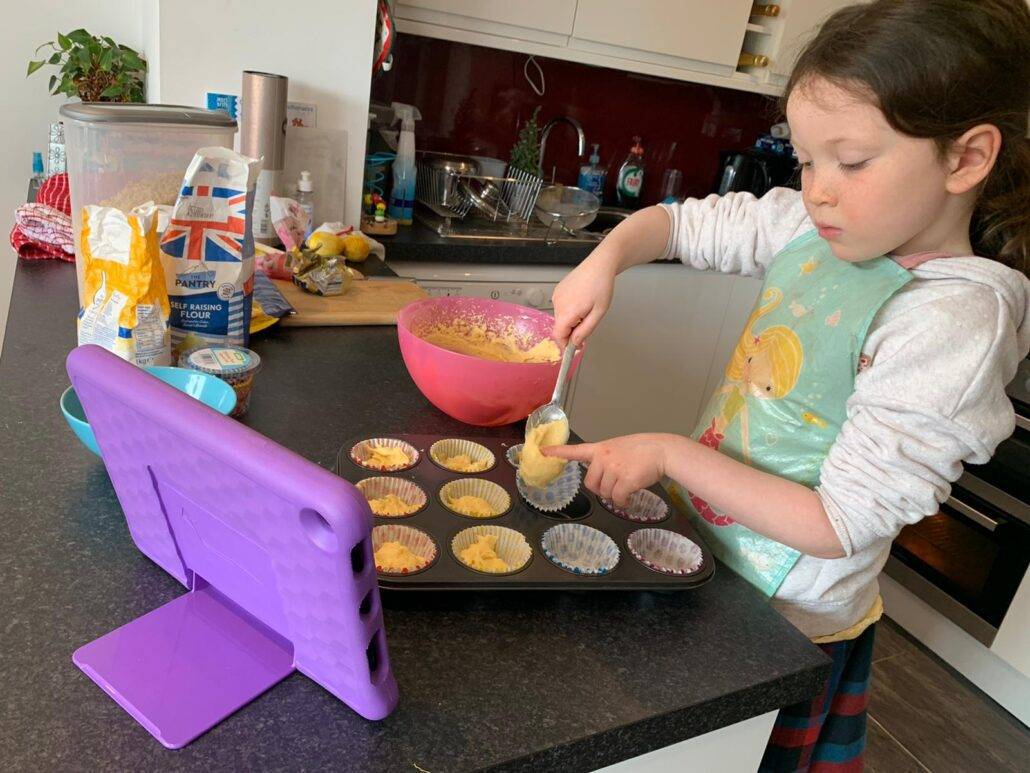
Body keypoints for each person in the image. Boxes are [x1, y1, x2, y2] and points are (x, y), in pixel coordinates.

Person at [543, 1, 1030, 769]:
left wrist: (667, 453)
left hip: (788, 616)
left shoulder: (953, 320)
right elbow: (680, 224)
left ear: (966, 159)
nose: (819, 190)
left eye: (851, 161)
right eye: (806, 161)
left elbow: (839, 522)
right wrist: (605, 259)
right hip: (705, 551)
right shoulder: (809, 227)